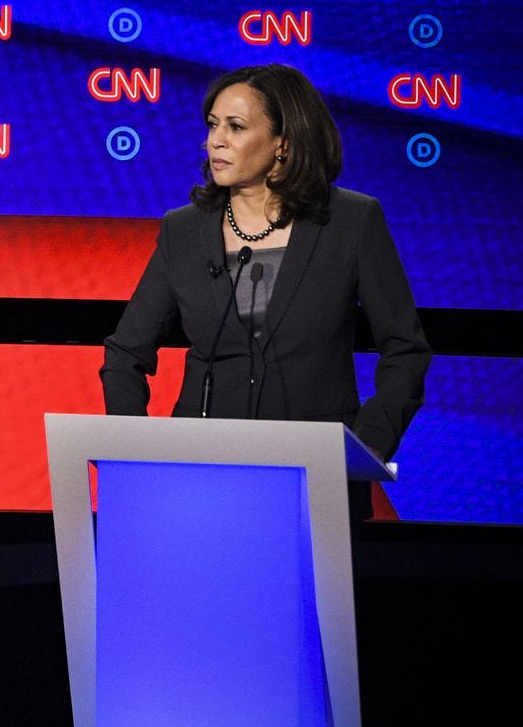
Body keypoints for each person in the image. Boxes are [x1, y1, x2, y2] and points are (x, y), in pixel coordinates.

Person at [100, 63, 431, 523]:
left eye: (235, 127)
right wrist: (136, 453)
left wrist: (368, 443)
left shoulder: (351, 223)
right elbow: (125, 353)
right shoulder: (184, 230)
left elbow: (406, 349)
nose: (215, 141)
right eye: (213, 125)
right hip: (200, 474)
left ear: (284, 143)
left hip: (316, 479)